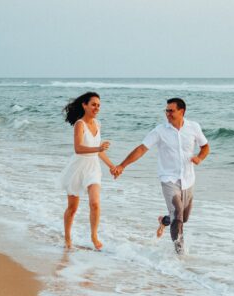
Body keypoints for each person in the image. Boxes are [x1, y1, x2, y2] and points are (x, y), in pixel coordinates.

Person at [112, 98, 209, 254]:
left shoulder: (193, 127)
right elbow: (142, 149)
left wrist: (199, 157)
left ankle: (164, 220)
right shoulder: (160, 131)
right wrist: (122, 165)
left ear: (181, 111)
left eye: (171, 110)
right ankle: (180, 255)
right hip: (168, 179)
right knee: (177, 217)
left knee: (183, 218)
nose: (168, 113)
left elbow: (205, 147)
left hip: (188, 179)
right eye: (166, 110)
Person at [58, 91, 116, 250]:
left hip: (93, 168)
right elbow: (78, 148)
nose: (97, 108)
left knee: (95, 203)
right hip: (77, 168)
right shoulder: (79, 124)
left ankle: (94, 235)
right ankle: (68, 238)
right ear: (85, 105)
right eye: (93, 104)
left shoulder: (98, 124)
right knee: (73, 208)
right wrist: (98, 147)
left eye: (99, 105)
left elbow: (99, 151)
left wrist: (111, 166)